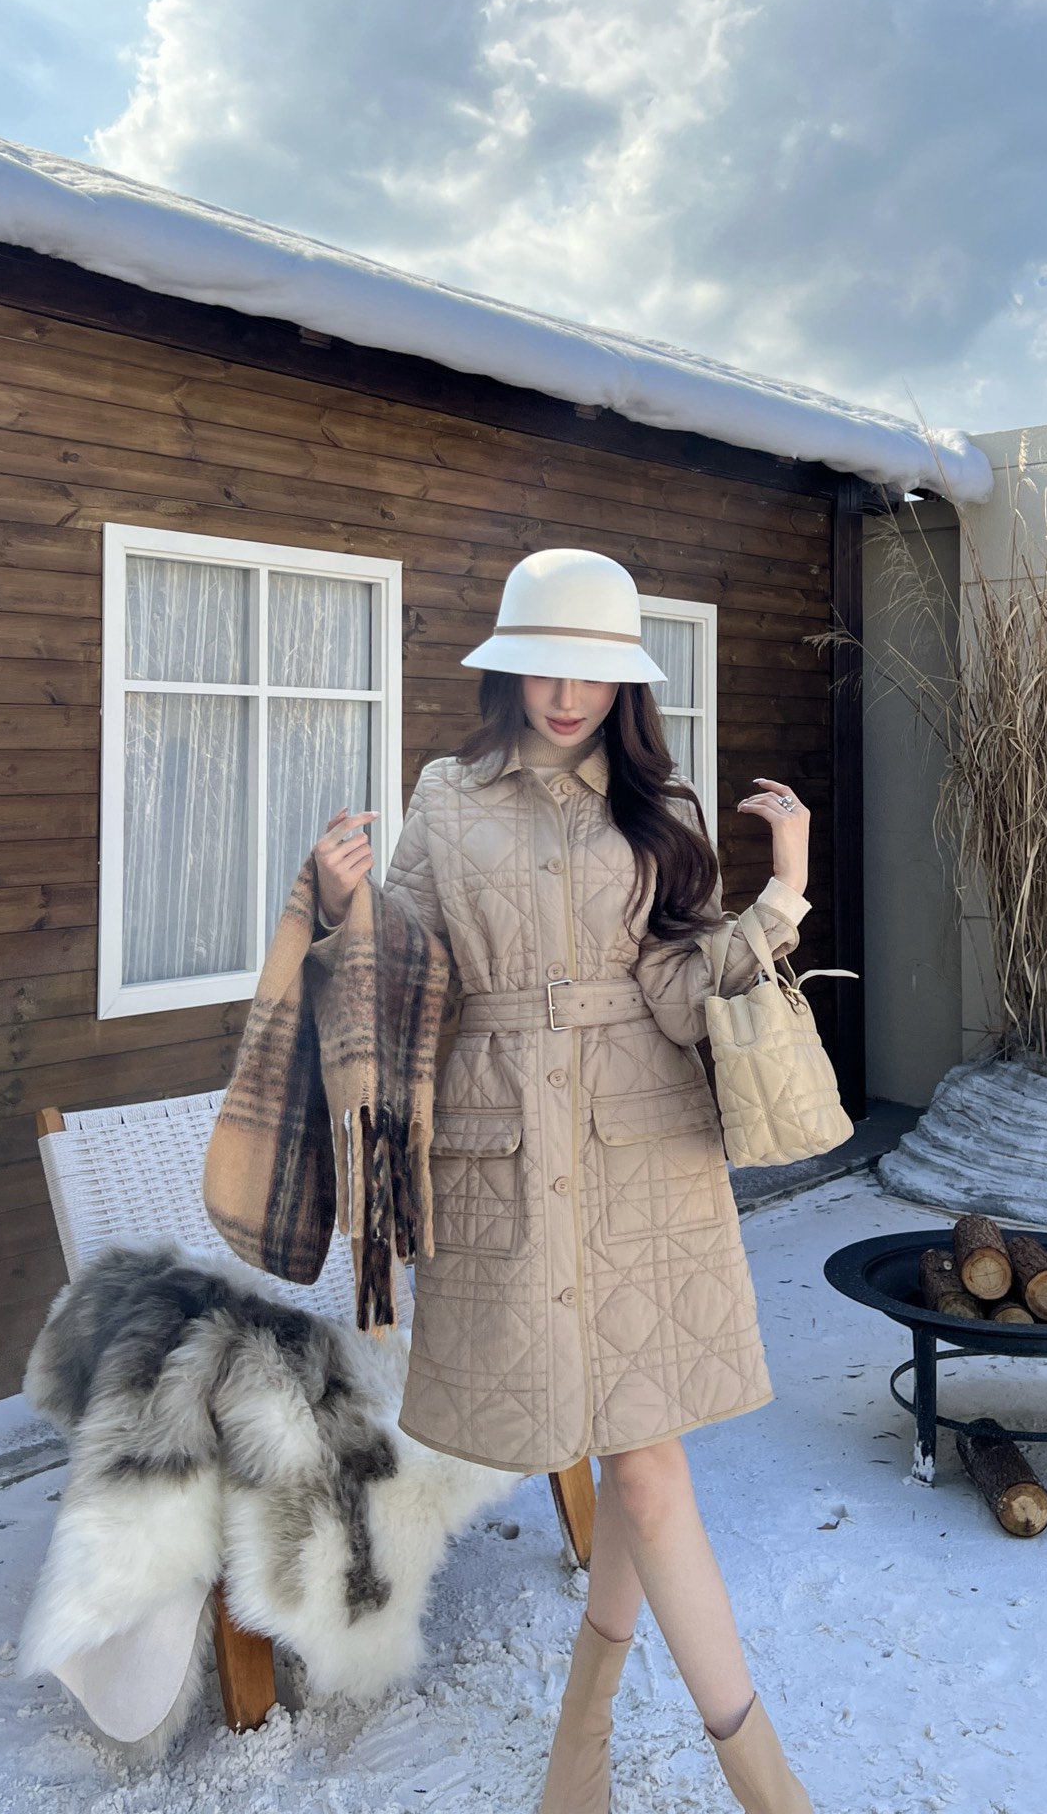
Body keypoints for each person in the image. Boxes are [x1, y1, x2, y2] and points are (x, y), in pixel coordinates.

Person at [311, 547, 816, 1814]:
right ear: (508, 670)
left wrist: (783, 897)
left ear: (625, 684)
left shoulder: (661, 806)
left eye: (593, 672)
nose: (568, 694)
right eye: (545, 666)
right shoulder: (447, 798)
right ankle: (579, 1763)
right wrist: (339, 911)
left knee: (642, 1465)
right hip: (507, 1160)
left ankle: (750, 1789)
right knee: (630, 1457)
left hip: (645, 1160)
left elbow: (681, 993)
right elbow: (408, 981)